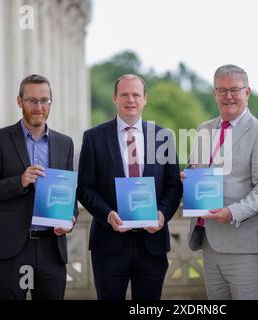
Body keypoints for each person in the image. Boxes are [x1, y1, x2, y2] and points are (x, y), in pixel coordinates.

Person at [77, 74, 182, 300]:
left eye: (136, 94)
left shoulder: (163, 137)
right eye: (124, 94)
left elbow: (174, 185)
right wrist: (107, 214)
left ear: (145, 99)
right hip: (109, 243)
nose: (130, 99)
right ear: (115, 98)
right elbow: (84, 188)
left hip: (152, 245)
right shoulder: (94, 137)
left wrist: (162, 214)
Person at [0, 74, 77, 300]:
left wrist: (70, 220)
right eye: (32, 100)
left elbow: (71, 194)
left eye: (44, 100)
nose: (38, 106)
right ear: (20, 101)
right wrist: (19, 181)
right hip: (12, 250)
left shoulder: (65, 143)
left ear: (51, 102)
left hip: (52, 249)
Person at [183, 64, 258, 300]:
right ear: (214, 93)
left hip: (243, 242)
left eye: (234, 89)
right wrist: (188, 177)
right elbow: (194, 169)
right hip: (207, 239)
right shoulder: (204, 129)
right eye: (221, 90)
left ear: (247, 92)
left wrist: (232, 212)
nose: (228, 96)